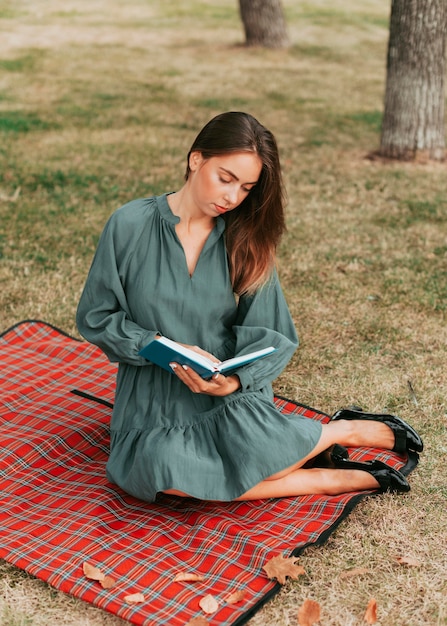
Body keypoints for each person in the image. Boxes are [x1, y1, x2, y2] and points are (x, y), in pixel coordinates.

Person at [76, 111, 423, 503]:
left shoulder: (246, 239)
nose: (232, 197)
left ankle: (342, 433)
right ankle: (325, 477)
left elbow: (272, 332)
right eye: (225, 178)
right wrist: (152, 343)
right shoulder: (129, 225)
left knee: (257, 457)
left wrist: (233, 382)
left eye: (245, 187)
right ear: (196, 159)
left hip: (226, 388)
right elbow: (97, 316)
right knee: (162, 476)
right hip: (154, 389)